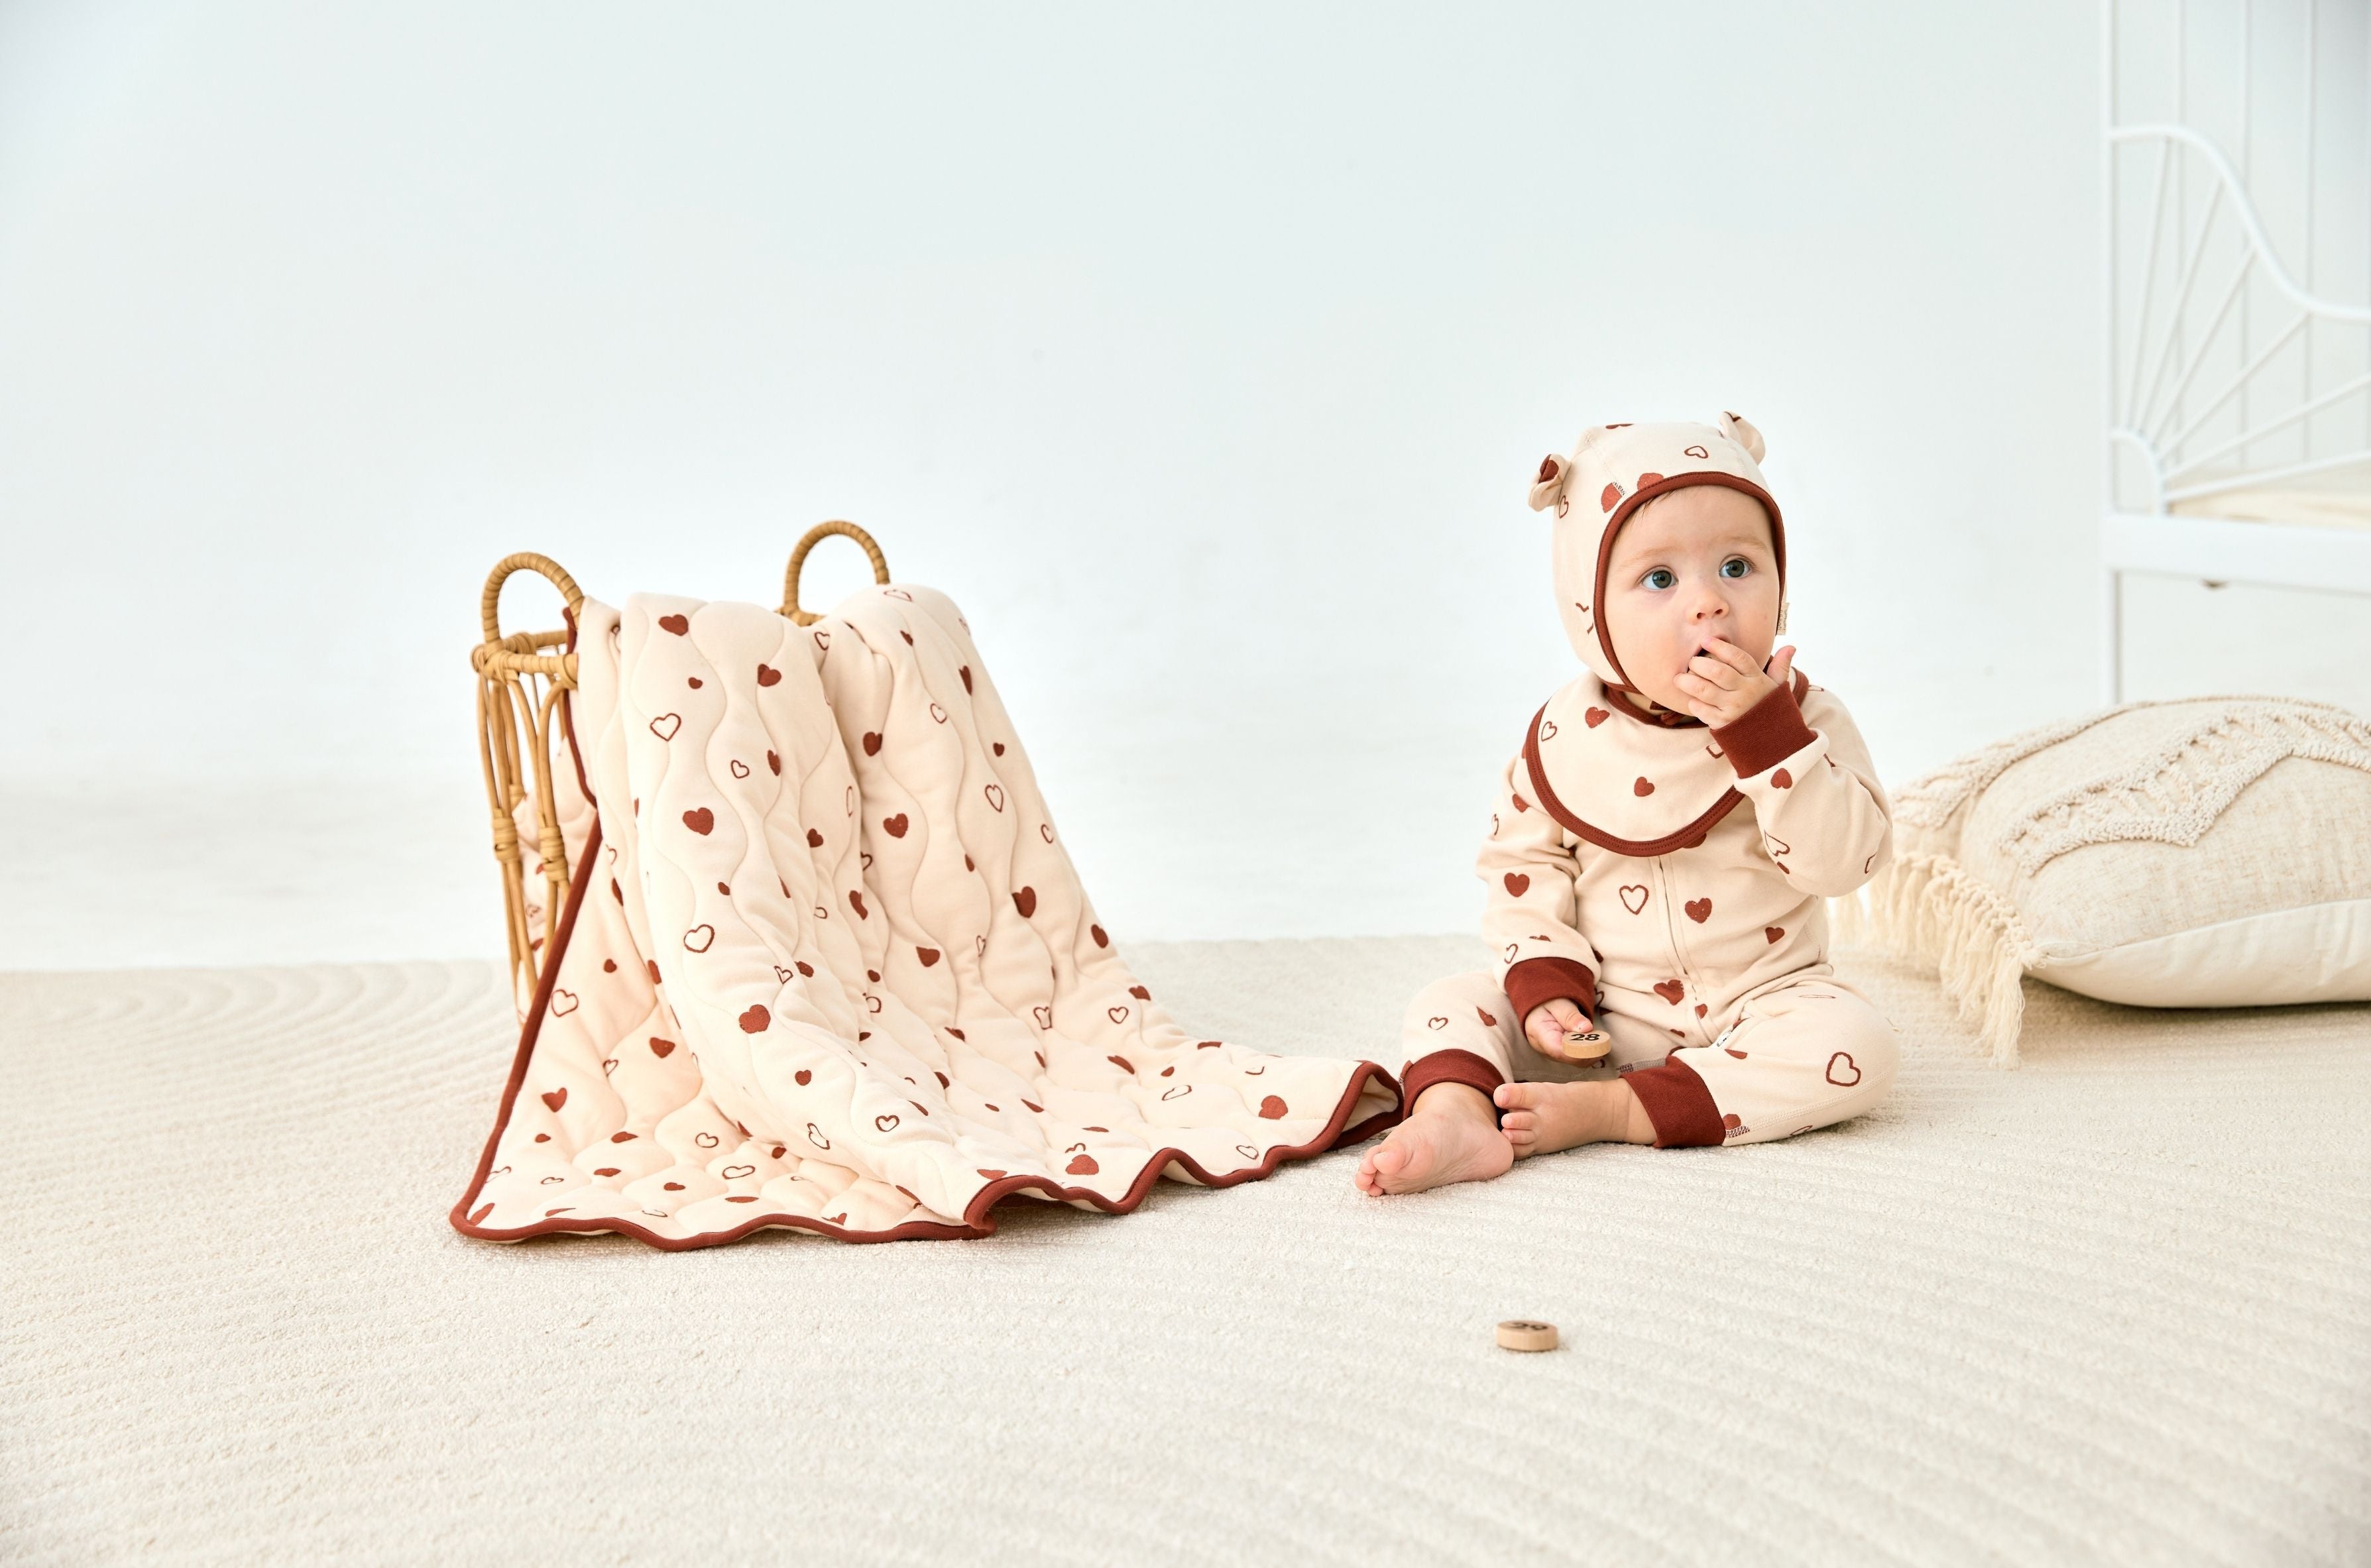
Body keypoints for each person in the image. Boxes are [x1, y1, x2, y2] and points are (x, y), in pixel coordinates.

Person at [1356, 412, 1900, 1198]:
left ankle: (1618, 1110)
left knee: (1859, 1045)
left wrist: (1768, 742)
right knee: (1449, 1000)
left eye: (1739, 566)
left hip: (1766, 1000)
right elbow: (1521, 865)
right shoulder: (1563, 736)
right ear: (1590, 609)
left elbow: (1843, 864)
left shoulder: (1804, 719)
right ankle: (1454, 1114)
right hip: (1605, 1014)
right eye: (1659, 579)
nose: (1709, 605)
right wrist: (1547, 991)